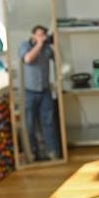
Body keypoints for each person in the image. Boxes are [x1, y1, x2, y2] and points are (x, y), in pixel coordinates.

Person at [19, 24, 61, 161]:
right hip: (30, 92)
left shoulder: (47, 49)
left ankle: (52, 152)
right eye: (39, 34)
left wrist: (55, 44)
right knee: (30, 124)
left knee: (48, 123)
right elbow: (27, 59)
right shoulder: (25, 45)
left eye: (44, 34)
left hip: (45, 91)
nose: (42, 37)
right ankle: (32, 154)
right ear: (33, 35)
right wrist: (39, 45)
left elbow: (59, 61)